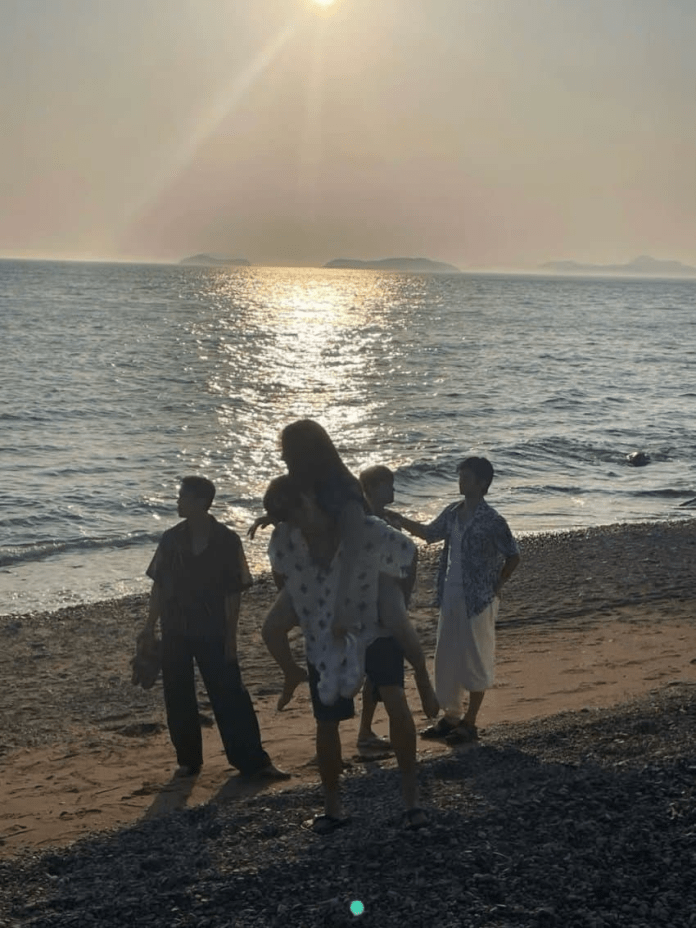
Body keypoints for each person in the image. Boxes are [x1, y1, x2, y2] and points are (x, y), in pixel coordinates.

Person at [262, 474, 429, 833]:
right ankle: (333, 806)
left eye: (295, 515)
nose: (294, 527)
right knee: (326, 721)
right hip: (323, 628)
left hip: (372, 620)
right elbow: (281, 571)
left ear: (309, 501)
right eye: (284, 521)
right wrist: (300, 603)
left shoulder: (360, 525)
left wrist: (402, 598)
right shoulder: (287, 536)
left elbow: (408, 552)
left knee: (395, 700)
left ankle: (411, 799)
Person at [254, 419, 438, 720]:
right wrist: (270, 517)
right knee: (271, 628)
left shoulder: (344, 488)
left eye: (286, 451)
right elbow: (289, 506)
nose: (283, 457)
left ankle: (421, 673)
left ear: (304, 452)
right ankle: (291, 673)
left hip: (369, 564)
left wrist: (341, 607)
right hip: (320, 568)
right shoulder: (300, 484)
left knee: (395, 620)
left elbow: (352, 552)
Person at [139, 476, 288, 780]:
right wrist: (149, 626)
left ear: (200, 502)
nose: (178, 502)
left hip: (213, 628)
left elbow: (233, 594)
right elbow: (159, 588)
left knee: (230, 693)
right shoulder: (171, 539)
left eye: (183, 497)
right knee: (177, 694)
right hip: (175, 628)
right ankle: (189, 760)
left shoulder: (226, 540)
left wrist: (231, 638)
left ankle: (253, 761)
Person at [389, 457, 520, 744]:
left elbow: (513, 555)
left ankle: (470, 722)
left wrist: (497, 584)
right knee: (447, 655)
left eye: (466, 477)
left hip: (479, 598)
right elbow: (428, 534)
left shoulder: (493, 520)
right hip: (450, 591)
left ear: (482, 483)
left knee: (475, 656)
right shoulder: (452, 511)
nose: (460, 481)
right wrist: (398, 520)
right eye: (460, 476)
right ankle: (451, 716)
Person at [354, 464, 417, 754]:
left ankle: (365, 731)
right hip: (374, 606)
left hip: (382, 603)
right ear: (373, 487)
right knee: (383, 674)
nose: (393, 489)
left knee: (374, 676)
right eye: (387, 485)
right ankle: (372, 732)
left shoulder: (384, 519)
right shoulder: (367, 520)